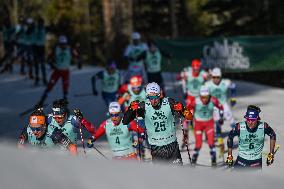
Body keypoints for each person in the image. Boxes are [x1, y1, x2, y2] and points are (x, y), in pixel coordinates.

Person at [122, 82, 193, 165]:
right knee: (161, 176)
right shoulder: (143, 106)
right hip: (156, 148)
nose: (153, 100)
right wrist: (130, 109)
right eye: (150, 97)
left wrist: (183, 109)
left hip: (172, 146)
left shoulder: (169, 102)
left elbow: (189, 117)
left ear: (160, 95)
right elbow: (125, 121)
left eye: (156, 97)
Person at [74, 102, 144, 160]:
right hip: (116, 159)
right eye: (112, 115)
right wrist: (91, 139)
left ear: (120, 113)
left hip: (130, 157)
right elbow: (95, 133)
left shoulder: (128, 122)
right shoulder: (106, 124)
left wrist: (139, 141)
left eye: (116, 115)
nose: (114, 117)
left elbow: (142, 132)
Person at [226, 105, 277, 169]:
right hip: (241, 160)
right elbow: (230, 136)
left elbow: (272, 135)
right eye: (248, 119)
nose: (250, 122)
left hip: (256, 162)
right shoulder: (240, 126)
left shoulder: (263, 126)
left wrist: (271, 154)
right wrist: (230, 156)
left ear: (257, 119)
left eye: (253, 120)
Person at [37, 35, 79, 105]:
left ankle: (65, 102)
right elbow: (48, 58)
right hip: (57, 71)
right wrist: (51, 63)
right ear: (59, 44)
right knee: (51, 84)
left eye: (64, 44)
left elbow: (77, 56)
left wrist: (79, 61)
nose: (63, 46)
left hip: (65, 71)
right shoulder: (55, 49)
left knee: (65, 87)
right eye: (62, 44)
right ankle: (42, 100)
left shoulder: (70, 49)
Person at [177, 59, 208, 149]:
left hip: (200, 99)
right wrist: (182, 76)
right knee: (187, 119)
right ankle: (185, 139)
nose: (196, 71)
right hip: (190, 99)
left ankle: (206, 135)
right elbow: (178, 77)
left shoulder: (203, 74)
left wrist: (209, 75)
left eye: (197, 69)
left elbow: (210, 78)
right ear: (192, 68)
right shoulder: (188, 73)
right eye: (194, 69)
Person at [190, 85, 224, 166]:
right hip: (198, 124)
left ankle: (214, 161)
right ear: (200, 96)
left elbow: (221, 107)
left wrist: (221, 117)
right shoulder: (196, 101)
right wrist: (188, 118)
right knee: (198, 144)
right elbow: (188, 109)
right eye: (203, 97)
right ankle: (194, 160)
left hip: (209, 123)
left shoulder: (213, 100)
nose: (205, 99)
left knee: (211, 142)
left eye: (206, 97)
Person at [205, 67, 236, 153]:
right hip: (214, 106)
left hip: (223, 104)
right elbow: (202, 94)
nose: (216, 79)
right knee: (217, 121)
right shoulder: (208, 84)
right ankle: (220, 141)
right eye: (214, 77)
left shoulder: (225, 82)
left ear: (220, 77)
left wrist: (233, 98)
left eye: (217, 77)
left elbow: (233, 86)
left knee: (231, 121)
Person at [34, 17, 47, 86]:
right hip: (36, 47)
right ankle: (37, 79)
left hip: (42, 47)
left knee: (42, 65)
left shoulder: (44, 28)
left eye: (42, 23)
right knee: (36, 64)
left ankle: (44, 79)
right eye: (40, 23)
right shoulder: (35, 29)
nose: (41, 24)